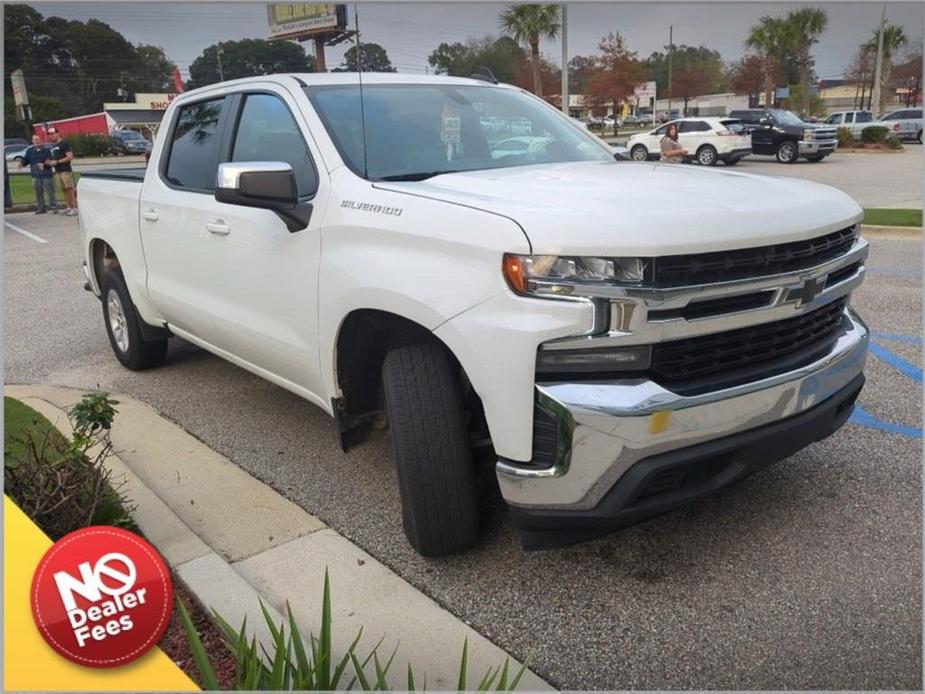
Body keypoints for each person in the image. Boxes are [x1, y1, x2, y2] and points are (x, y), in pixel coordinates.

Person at [18, 134, 58, 214]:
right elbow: (26, 160)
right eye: (34, 140)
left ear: (41, 141)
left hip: (46, 175)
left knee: (50, 192)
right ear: (32, 141)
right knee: (38, 193)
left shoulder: (46, 150)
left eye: (38, 139)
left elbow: (51, 161)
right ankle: (41, 208)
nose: (36, 141)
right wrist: (21, 164)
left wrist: (45, 164)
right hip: (35, 176)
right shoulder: (29, 151)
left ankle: (54, 207)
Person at [46, 127, 78, 216]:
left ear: (58, 133)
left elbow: (70, 156)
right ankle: (68, 207)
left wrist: (57, 162)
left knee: (70, 189)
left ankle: (74, 208)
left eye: (53, 134)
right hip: (58, 170)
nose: (51, 136)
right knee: (64, 189)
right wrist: (50, 162)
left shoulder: (64, 143)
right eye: (49, 134)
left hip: (65, 170)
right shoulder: (54, 145)